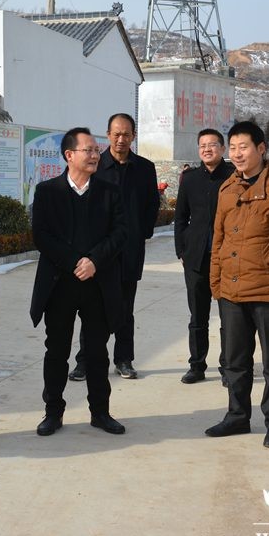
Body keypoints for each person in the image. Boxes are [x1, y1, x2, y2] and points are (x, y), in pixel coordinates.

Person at [206, 120, 269, 449]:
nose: (237, 154)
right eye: (233, 148)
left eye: (244, 147)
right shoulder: (227, 189)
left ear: (261, 149)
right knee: (234, 360)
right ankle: (237, 416)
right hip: (231, 291)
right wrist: (216, 283)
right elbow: (218, 240)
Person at [30, 127, 127, 436]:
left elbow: (120, 233)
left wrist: (94, 261)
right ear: (69, 155)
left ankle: (100, 412)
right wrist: (75, 262)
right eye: (89, 150)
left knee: (97, 352)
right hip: (60, 283)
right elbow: (41, 235)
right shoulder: (48, 191)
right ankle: (53, 412)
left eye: (96, 150)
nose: (96, 155)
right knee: (56, 351)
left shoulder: (110, 191)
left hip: (98, 284)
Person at [68, 113, 158, 381]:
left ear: (133, 136)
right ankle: (85, 361)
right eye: (116, 134)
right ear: (107, 135)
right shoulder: (95, 165)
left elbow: (151, 205)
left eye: (126, 134)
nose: (121, 139)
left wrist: (140, 233)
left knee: (125, 309)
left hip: (130, 251)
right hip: (99, 253)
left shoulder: (144, 168)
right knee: (93, 308)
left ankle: (124, 359)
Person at [174, 128, 235, 385]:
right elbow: (180, 217)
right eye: (203, 146)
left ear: (222, 148)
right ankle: (196, 366)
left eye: (212, 145)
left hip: (227, 257)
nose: (207, 149)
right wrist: (181, 250)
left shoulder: (234, 176)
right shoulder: (189, 179)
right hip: (196, 258)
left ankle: (228, 367)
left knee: (229, 318)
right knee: (198, 317)